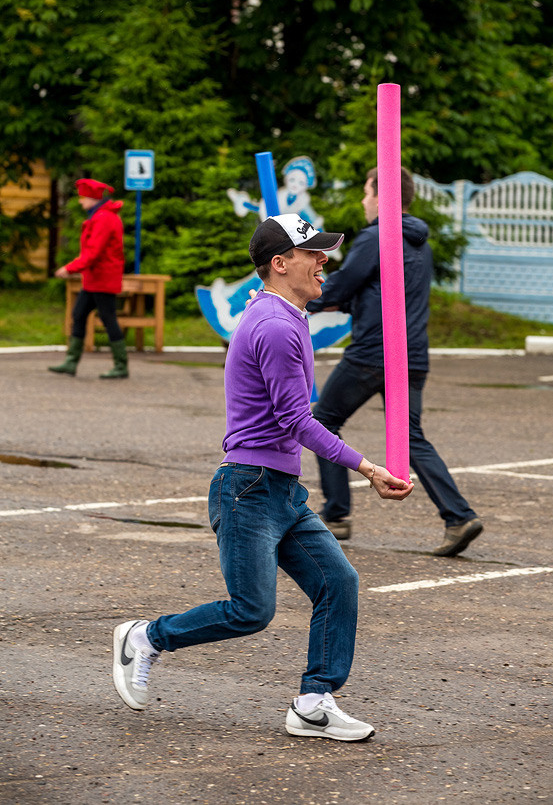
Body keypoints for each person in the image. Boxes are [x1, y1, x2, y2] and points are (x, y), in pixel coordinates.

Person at [112, 213, 413, 741]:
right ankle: (147, 636)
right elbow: (297, 421)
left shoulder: (285, 315)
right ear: (279, 264)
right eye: (312, 253)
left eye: (324, 252)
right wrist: (366, 467)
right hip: (248, 489)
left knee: (338, 582)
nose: (324, 260)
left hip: (279, 490)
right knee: (252, 610)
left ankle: (314, 702)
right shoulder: (274, 326)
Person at [307, 167, 483, 557]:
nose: (363, 201)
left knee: (323, 421)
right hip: (412, 354)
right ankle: (459, 516)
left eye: (366, 192)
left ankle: (336, 515)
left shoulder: (376, 237)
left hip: (374, 352)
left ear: (380, 195)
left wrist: (299, 296)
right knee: (411, 437)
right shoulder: (419, 242)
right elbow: (372, 291)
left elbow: (344, 282)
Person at [48, 178, 128, 379]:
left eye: (83, 197)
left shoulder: (103, 218)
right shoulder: (100, 216)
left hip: (103, 279)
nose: (80, 201)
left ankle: (121, 365)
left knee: (108, 319)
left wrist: (70, 268)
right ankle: (71, 362)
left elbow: (94, 253)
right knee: (79, 314)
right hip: (94, 279)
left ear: (93, 198)